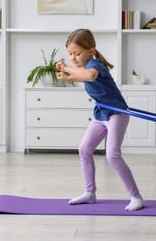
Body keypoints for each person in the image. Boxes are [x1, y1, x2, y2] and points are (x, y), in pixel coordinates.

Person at [56, 28, 145, 211]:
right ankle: (90, 193)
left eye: (77, 53)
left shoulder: (95, 65)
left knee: (112, 155)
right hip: (101, 114)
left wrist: (65, 67)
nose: (73, 58)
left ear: (91, 50)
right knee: (84, 149)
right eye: (70, 54)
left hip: (117, 114)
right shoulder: (87, 66)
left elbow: (89, 76)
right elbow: (85, 78)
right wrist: (68, 77)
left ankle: (136, 196)